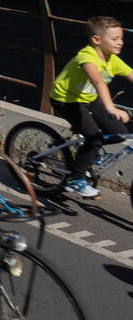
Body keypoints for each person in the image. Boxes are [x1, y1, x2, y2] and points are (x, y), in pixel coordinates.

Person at [49, 15, 133, 198]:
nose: (120, 42)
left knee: (120, 131)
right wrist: (111, 108)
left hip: (89, 99)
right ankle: (76, 180)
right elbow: (97, 81)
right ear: (96, 40)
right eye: (115, 39)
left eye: (121, 38)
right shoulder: (87, 56)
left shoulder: (113, 59)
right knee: (93, 136)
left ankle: (88, 153)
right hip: (65, 99)